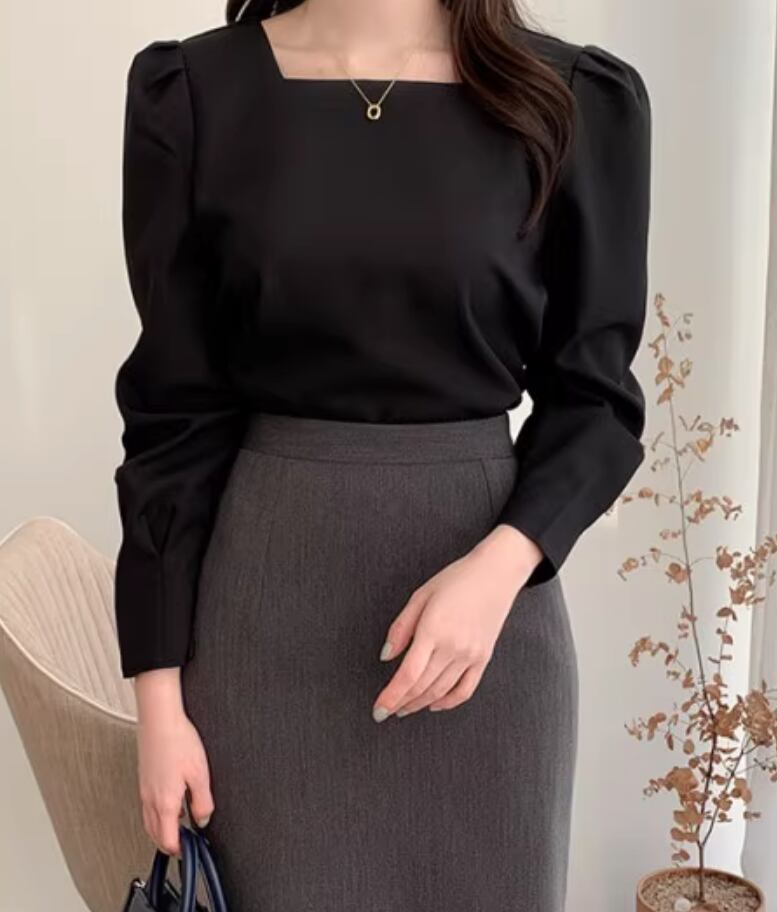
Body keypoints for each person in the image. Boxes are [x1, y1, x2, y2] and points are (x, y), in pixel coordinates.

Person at [112, 0, 651, 908]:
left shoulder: (574, 98)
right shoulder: (194, 92)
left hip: (488, 640)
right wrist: (157, 706)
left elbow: (596, 401)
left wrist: (500, 570)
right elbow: (173, 416)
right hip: (263, 627)